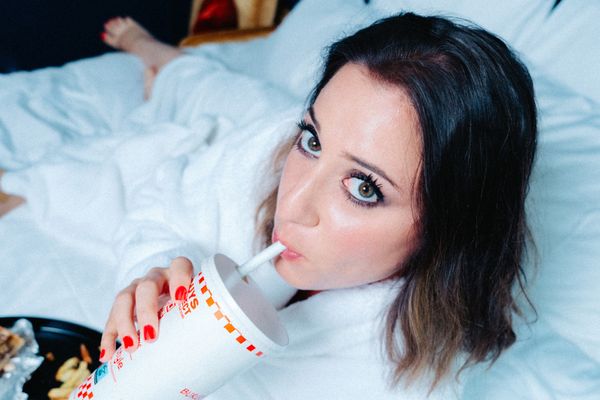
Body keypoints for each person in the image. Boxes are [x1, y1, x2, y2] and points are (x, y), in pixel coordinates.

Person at [102, 11, 537, 395]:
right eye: (312, 141)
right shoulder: (270, 153)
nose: (293, 204)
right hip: (251, 115)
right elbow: (166, 201)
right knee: (202, 86)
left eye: (364, 188)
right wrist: (156, 274)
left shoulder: (400, 382)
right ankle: (153, 52)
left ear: (446, 227)